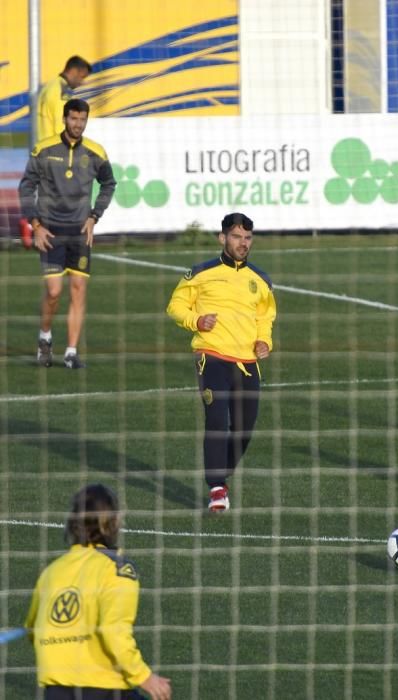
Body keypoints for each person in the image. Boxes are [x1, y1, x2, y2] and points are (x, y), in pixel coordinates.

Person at [167, 212, 277, 512]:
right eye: (237, 237)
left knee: (244, 428)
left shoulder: (260, 279)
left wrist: (264, 341)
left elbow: (265, 316)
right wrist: (196, 320)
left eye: (248, 238)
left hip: (247, 362)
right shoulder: (201, 273)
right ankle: (216, 488)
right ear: (222, 238)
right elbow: (175, 306)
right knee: (216, 420)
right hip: (211, 356)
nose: (244, 243)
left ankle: (222, 471)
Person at [25, 483, 172, 700]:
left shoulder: (52, 571)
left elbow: (32, 628)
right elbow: (113, 630)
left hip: (55, 692)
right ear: (111, 523)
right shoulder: (116, 568)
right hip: (104, 690)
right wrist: (145, 677)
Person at [18, 98, 116, 369]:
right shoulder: (44, 149)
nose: (77, 124)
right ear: (64, 119)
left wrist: (94, 216)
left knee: (78, 289)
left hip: (79, 232)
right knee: (53, 291)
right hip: (50, 230)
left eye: (82, 120)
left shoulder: (96, 152)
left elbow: (109, 184)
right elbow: (26, 187)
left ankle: (71, 352)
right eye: (73, 119)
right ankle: (45, 338)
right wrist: (35, 225)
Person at [19, 56, 92, 248]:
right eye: (82, 77)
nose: (81, 82)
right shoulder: (60, 93)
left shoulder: (48, 88)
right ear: (74, 71)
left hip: (41, 147)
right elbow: (66, 125)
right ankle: (42, 234)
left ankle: (29, 230)